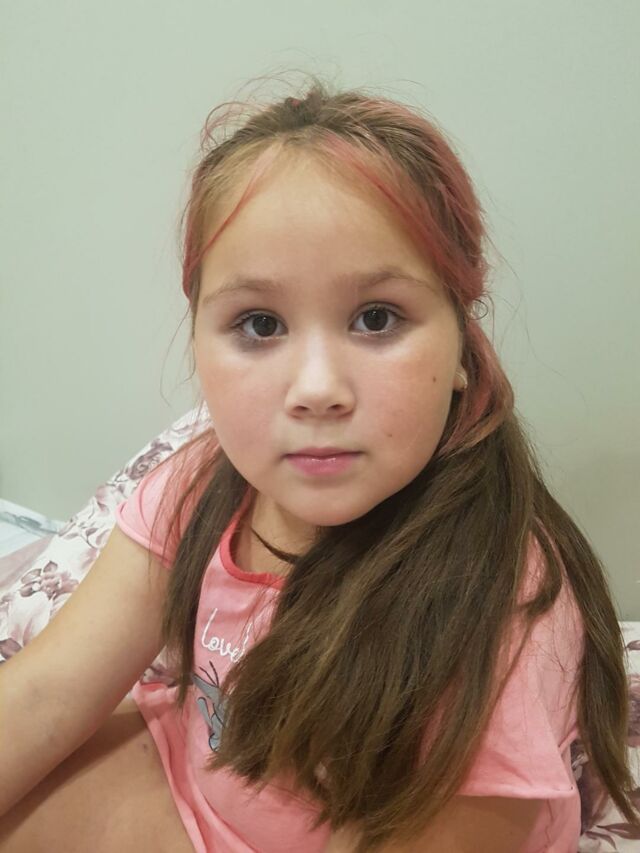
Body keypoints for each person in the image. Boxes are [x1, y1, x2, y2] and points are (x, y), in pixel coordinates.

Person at [1, 75, 637, 853]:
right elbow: (45, 695)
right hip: (191, 786)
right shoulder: (193, 487)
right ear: (197, 342)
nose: (316, 389)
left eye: (376, 318)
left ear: (463, 346)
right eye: (260, 324)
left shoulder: (499, 600)